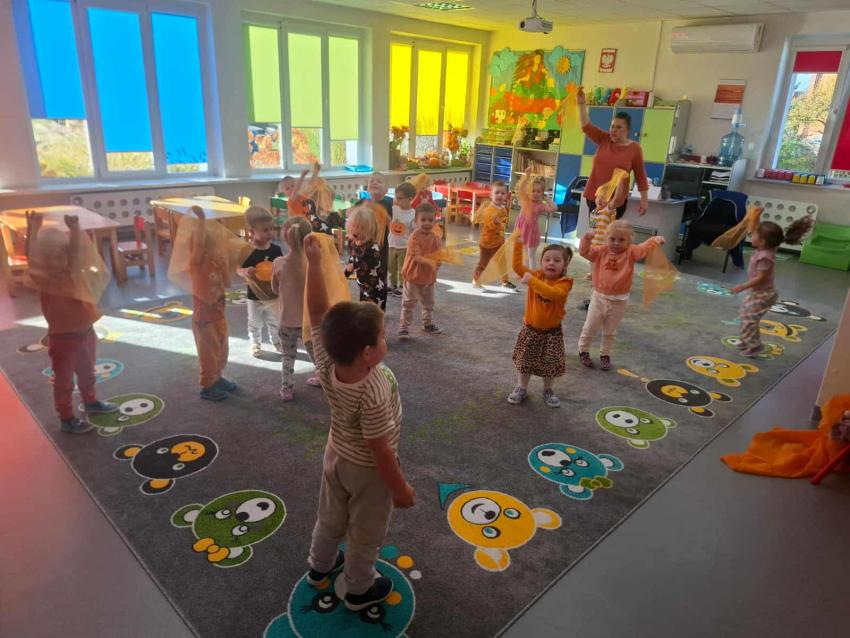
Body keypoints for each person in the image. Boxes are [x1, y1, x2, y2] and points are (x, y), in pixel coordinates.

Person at [303, 233, 415, 612]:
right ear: (368, 352)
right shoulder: (375, 388)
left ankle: (319, 567)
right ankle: (358, 589)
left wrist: (314, 264)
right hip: (369, 470)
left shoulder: (326, 360)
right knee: (365, 532)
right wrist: (399, 488)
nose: (385, 340)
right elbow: (380, 449)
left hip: (335, 454)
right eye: (382, 336)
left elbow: (317, 312)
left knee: (330, 515)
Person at [26, 212, 118, 433]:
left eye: (59, 256)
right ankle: (66, 417)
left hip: (86, 333)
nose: (53, 262)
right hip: (62, 340)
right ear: (42, 261)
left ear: (66, 255)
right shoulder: (45, 281)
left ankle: (90, 401)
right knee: (64, 380)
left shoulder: (73, 273)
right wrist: (33, 228)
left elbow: (77, 254)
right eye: (47, 259)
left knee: (88, 373)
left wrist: (75, 231)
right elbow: (32, 256)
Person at [578, 220, 664, 371]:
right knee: (590, 327)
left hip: (619, 300)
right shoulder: (601, 251)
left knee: (610, 331)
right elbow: (585, 252)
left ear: (629, 241)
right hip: (599, 298)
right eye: (612, 239)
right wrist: (586, 239)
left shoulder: (631, 252)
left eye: (621, 240)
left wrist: (655, 240)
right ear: (606, 238)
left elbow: (643, 248)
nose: (616, 243)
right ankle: (583, 350)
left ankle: (605, 354)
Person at [731, 217, 813, 357]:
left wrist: (742, 286)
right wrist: (755, 217)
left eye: (755, 234)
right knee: (744, 314)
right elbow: (756, 231)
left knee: (750, 319)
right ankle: (746, 339)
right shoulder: (767, 247)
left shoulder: (765, 257)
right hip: (757, 292)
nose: (751, 235)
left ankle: (755, 346)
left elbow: (761, 278)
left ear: (762, 241)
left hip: (764, 295)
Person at [507, 236, 574, 408]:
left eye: (557, 260)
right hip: (531, 330)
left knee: (549, 364)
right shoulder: (537, 275)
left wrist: (532, 282)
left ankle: (548, 390)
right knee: (525, 362)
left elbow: (553, 294)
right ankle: (521, 388)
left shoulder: (565, 282)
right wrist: (518, 243)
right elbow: (517, 266)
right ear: (541, 262)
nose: (551, 263)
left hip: (552, 333)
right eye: (547, 259)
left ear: (565, 265)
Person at [577, 86, 649, 224]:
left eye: (619, 127)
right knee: (595, 232)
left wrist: (644, 200)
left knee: (610, 234)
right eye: (612, 126)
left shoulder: (634, 148)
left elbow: (640, 176)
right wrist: (581, 103)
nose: (614, 130)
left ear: (627, 130)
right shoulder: (604, 139)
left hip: (615, 201)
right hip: (595, 197)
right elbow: (586, 126)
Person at [189, 206, 236, 401]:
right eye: (216, 245)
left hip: (219, 312)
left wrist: (225, 265)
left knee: (221, 346)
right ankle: (207, 385)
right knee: (208, 350)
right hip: (204, 316)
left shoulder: (218, 261)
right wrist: (201, 220)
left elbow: (228, 283)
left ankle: (217, 377)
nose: (220, 248)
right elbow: (199, 244)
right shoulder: (197, 262)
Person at [271, 216, 320, 401]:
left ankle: (287, 389)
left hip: (286, 322)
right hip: (309, 322)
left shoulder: (278, 263)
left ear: (285, 237)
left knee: (288, 356)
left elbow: (274, 289)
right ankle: (324, 378)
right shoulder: (312, 264)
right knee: (316, 354)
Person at [237, 206, 283, 357]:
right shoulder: (246, 251)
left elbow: (282, 268)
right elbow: (238, 269)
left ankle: (276, 341)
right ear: (252, 232)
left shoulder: (276, 250)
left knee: (275, 321)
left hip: (273, 294)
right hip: (254, 296)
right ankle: (255, 344)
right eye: (265, 230)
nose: (270, 233)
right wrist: (245, 271)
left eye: (271, 229)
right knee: (254, 322)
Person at [398, 203, 443, 340]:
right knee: (408, 303)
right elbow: (416, 257)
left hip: (428, 277)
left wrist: (438, 262)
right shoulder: (414, 237)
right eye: (423, 220)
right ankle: (403, 327)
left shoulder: (435, 237)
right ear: (415, 221)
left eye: (430, 220)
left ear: (435, 221)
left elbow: (438, 254)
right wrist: (430, 262)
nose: (427, 223)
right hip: (413, 276)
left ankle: (427, 324)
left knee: (429, 303)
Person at [472, 180, 515, 289]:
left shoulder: (503, 209)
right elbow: (489, 224)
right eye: (497, 193)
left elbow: (503, 222)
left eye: (503, 193)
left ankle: (505, 282)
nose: (500, 195)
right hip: (487, 243)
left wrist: (502, 225)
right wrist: (494, 222)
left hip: (499, 241)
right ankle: (476, 280)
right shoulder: (489, 210)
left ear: (506, 196)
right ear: (491, 195)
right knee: (483, 263)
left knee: (502, 263)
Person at [345, 205, 387, 308]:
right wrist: (346, 273)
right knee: (363, 307)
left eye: (362, 228)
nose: (356, 231)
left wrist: (354, 265)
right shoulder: (354, 243)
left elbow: (373, 262)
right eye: (354, 226)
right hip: (363, 285)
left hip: (375, 287)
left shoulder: (373, 248)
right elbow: (352, 258)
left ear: (371, 230)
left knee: (374, 310)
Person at [513, 173, 556, 270]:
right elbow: (521, 188)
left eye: (538, 191)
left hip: (531, 232)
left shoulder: (540, 206)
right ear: (528, 191)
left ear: (542, 193)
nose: (535, 193)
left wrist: (547, 199)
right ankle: (525, 271)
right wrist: (527, 176)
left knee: (531, 254)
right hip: (521, 230)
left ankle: (532, 273)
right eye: (533, 191)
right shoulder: (525, 200)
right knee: (524, 253)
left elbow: (554, 208)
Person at [388, 181, 416, 295]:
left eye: (400, 198)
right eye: (396, 197)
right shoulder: (394, 209)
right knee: (391, 267)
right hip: (391, 244)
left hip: (404, 246)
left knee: (402, 268)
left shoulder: (413, 213)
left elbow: (414, 231)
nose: (397, 200)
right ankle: (392, 284)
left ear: (410, 199)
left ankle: (401, 286)